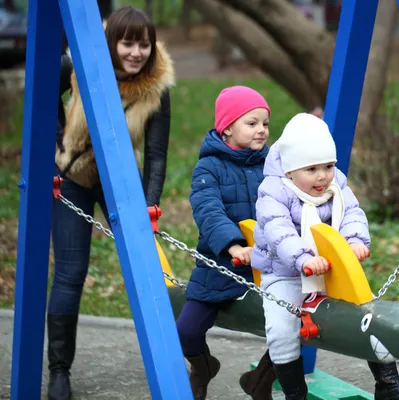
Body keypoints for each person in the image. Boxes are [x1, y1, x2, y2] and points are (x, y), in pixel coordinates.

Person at [48, 7, 174, 400]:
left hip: (119, 181)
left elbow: (156, 155)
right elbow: (45, 87)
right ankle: (59, 372)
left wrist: (149, 206)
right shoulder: (82, 64)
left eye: (144, 44)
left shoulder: (156, 88)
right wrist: (57, 141)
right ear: (111, 43)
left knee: (146, 270)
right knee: (71, 273)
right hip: (72, 179)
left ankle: (170, 362)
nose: (136, 52)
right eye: (127, 43)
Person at [251, 113, 399, 400]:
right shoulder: (273, 191)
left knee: (365, 313)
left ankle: (389, 385)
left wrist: (354, 240)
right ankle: (295, 394)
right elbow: (278, 230)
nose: (322, 176)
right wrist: (303, 258)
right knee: (281, 328)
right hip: (285, 272)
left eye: (328, 166)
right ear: (291, 171)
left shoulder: (335, 184)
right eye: (312, 169)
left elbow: (352, 212)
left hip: (328, 268)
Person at [175, 86, 276, 400]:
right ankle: (203, 366)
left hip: (267, 263)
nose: (261, 129)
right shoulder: (209, 168)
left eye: (265, 123)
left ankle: (260, 380)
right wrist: (233, 246)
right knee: (186, 331)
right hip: (221, 264)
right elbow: (208, 210)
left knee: (294, 327)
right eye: (252, 123)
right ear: (227, 127)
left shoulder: (272, 164)